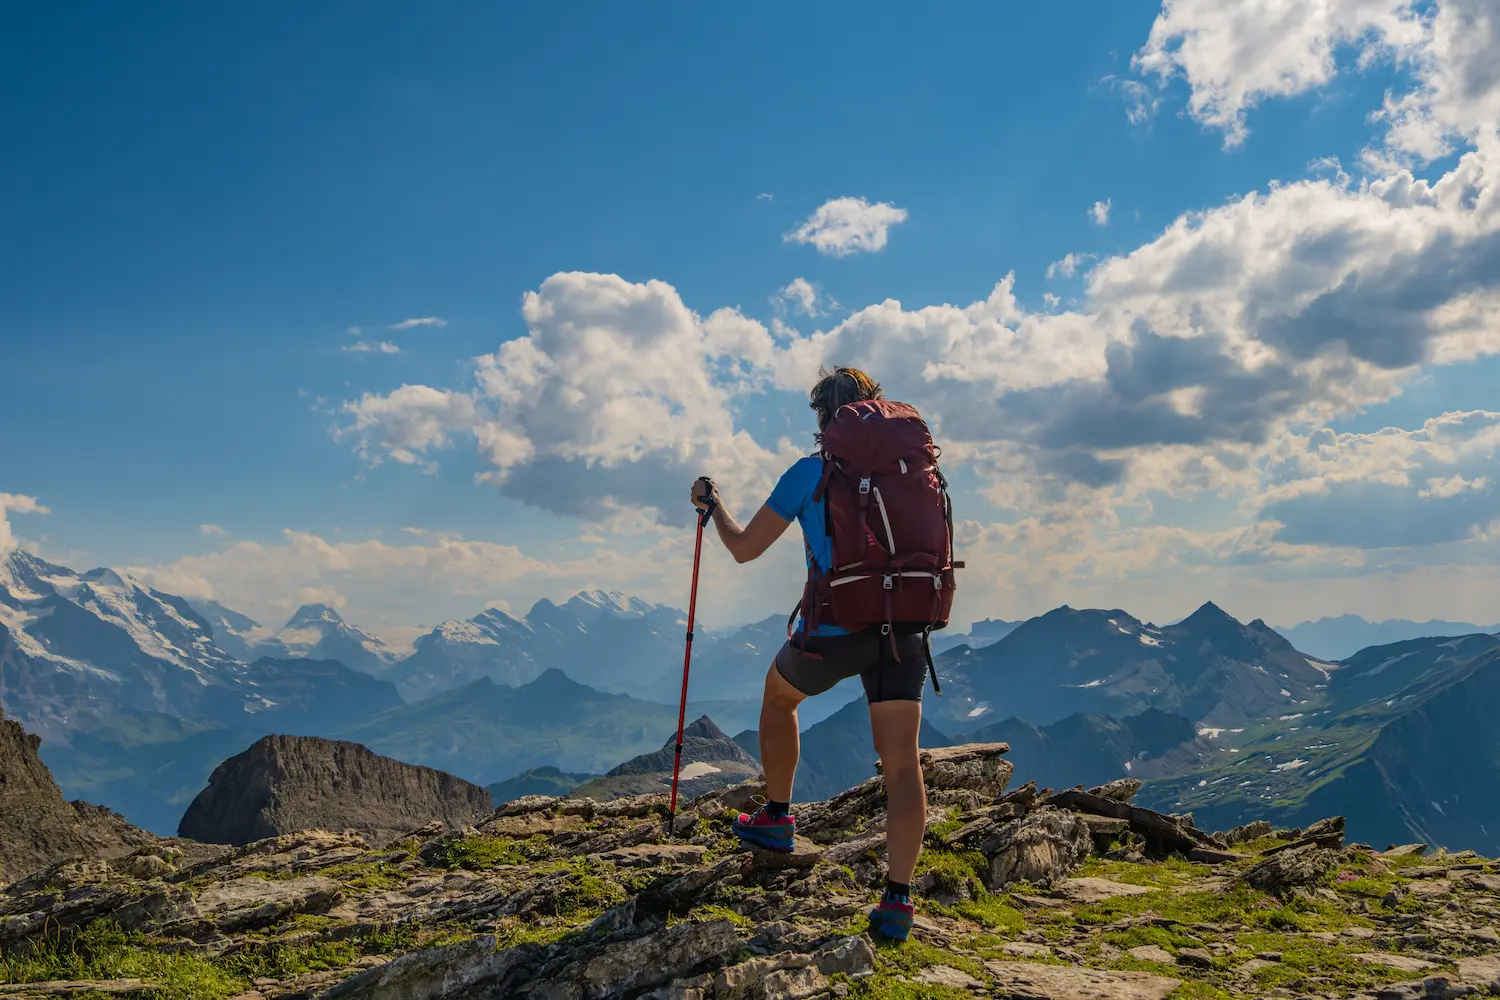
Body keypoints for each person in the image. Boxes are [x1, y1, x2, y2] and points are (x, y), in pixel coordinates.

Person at [689, 366, 931, 943]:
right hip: (906, 627)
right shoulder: (915, 472)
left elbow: (746, 549)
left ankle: (777, 817)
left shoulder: (810, 473)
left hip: (837, 626)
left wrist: (713, 506)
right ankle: (897, 900)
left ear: (826, 419)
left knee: (779, 696)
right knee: (902, 763)